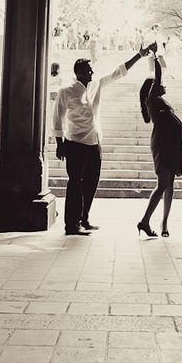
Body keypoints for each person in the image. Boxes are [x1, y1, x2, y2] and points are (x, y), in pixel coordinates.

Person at [53, 43, 154, 235]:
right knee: (75, 183)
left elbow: (118, 72)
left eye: (92, 70)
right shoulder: (66, 91)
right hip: (75, 143)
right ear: (79, 72)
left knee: (91, 182)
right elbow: (57, 117)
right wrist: (59, 144)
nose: (92, 72)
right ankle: (71, 225)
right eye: (89, 70)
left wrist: (139, 55)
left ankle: (84, 218)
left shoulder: (96, 83)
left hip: (94, 142)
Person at [137, 47, 182, 238]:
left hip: (172, 146)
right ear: (153, 88)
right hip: (163, 146)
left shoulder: (160, 101)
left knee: (169, 185)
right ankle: (145, 221)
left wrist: (179, 148)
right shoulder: (152, 100)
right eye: (159, 83)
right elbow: (158, 76)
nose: (163, 84)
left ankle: (164, 222)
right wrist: (155, 57)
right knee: (163, 184)